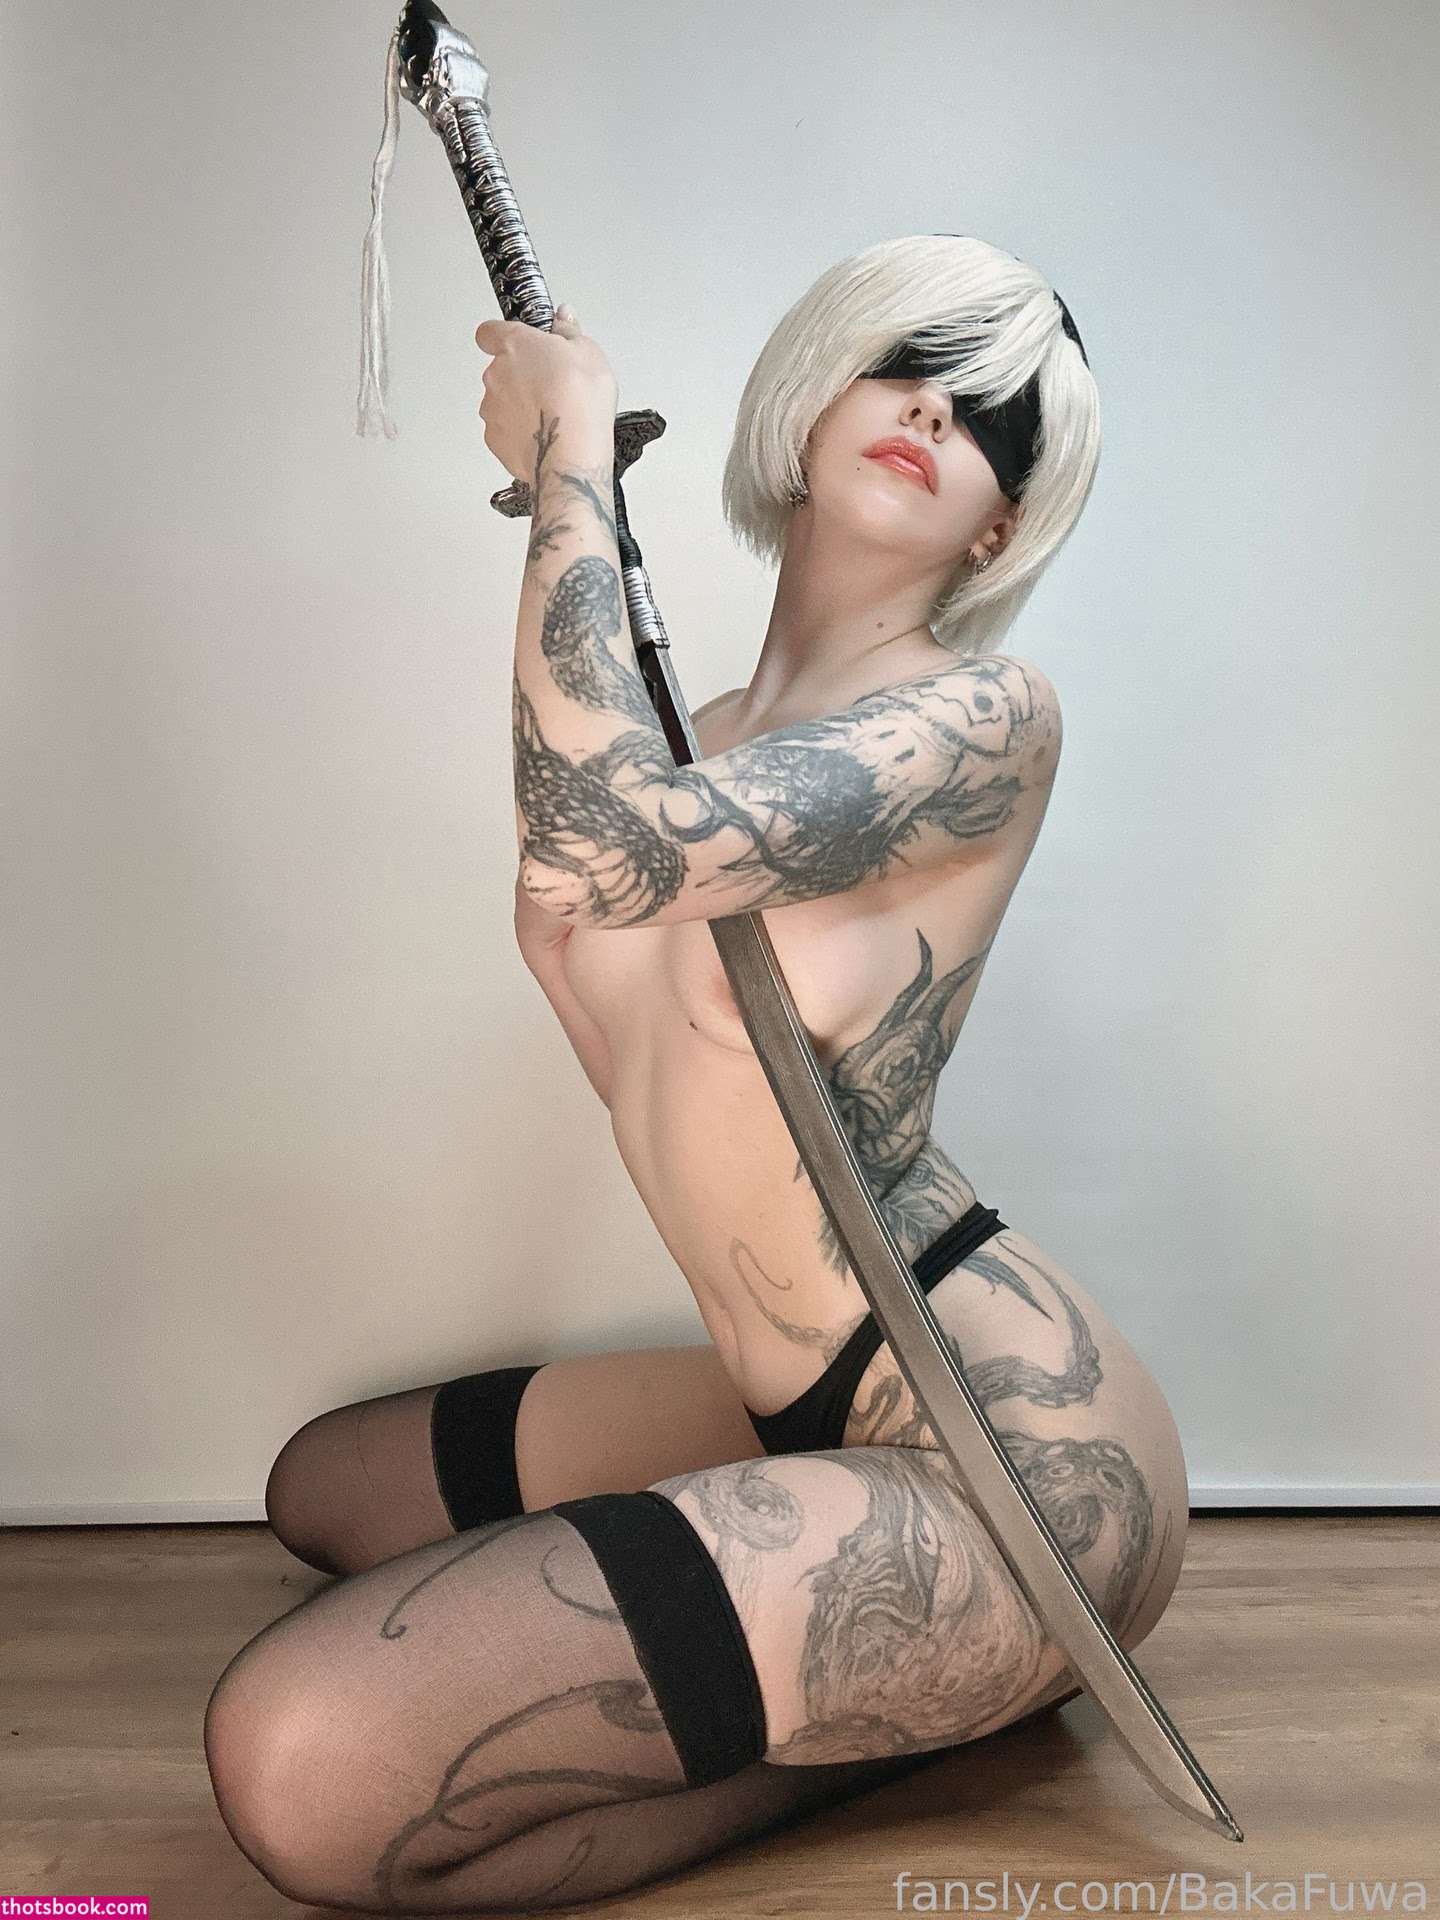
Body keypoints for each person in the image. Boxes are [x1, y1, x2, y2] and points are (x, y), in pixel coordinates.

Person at [204, 233, 1191, 1911]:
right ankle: (871, 1686)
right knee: (327, 1491)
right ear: (814, 398)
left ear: (1001, 523)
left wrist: (572, 457)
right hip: (786, 1392)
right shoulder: (701, 740)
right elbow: (627, 1014)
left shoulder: (982, 719)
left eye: (995, 423)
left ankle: (903, 1709)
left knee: (301, 1770)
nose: (938, 415)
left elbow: (591, 847)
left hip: (1002, 1455)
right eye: (913, 367)